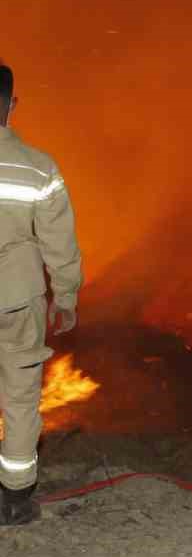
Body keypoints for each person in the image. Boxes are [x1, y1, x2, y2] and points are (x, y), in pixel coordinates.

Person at [0, 63, 83, 526]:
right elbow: (60, 243)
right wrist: (66, 297)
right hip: (18, 299)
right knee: (19, 400)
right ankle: (14, 501)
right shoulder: (39, 168)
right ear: (12, 106)